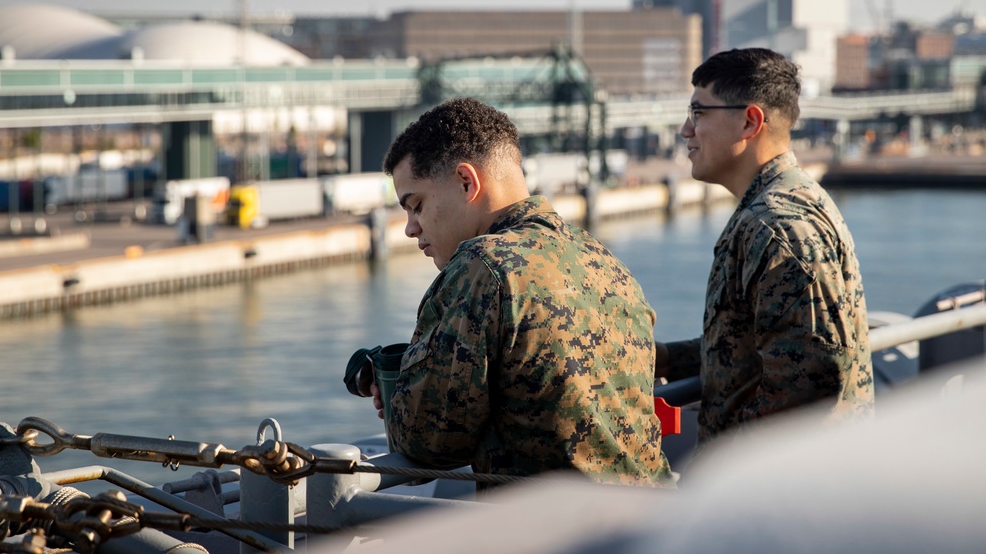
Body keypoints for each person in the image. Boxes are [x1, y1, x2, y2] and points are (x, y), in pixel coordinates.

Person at [345, 96, 673, 489]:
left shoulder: (481, 266)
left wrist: (397, 382)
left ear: (467, 182)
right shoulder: (601, 258)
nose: (410, 228)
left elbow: (424, 444)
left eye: (416, 205)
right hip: (656, 521)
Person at [658, 48, 874, 446]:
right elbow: (755, 346)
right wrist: (668, 359)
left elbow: (808, 390)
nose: (686, 130)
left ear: (749, 121)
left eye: (698, 113)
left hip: (779, 497)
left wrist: (722, 473)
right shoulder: (785, 203)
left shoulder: (776, 226)